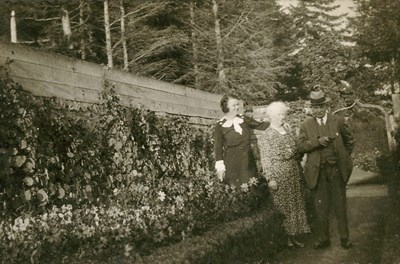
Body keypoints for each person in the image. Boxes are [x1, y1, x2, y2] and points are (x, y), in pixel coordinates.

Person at [297, 89, 354, 250]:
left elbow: (350, 142)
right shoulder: (305, 125)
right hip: (317, 172)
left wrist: (343, 158)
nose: (318, 110)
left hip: (336, 170)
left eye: (321, 106)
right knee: (320, 206)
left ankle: (344, 238)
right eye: (315, 108)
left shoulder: (338, 121)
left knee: (340, 205)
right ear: (311, 109)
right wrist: (316, 142)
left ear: (326, 106)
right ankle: (324, 239)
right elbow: (300, 146)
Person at [257, 101, 310, 249]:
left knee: (295, 205)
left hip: (293, 171)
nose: (282, 117)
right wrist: (270, 178)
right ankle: (286, 238)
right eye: (279, 114)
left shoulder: (288, 130)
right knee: (283, 206)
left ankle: (295, 237)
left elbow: (296, 149)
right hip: (279, 173)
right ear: (271, 116)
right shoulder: (266, 135)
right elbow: (265, 158)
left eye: (283, 114)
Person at [214, 94, 270, 187]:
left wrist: (279, 124)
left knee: (252, 186)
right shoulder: (219, 125)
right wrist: (220, 168)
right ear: (226, 107)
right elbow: (218, 147)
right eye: (234, 105)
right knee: (236, 189)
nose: (237, 107)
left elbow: (261, 126)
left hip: (247, 159)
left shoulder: (244, 119)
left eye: (237, 105)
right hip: (231, 161)